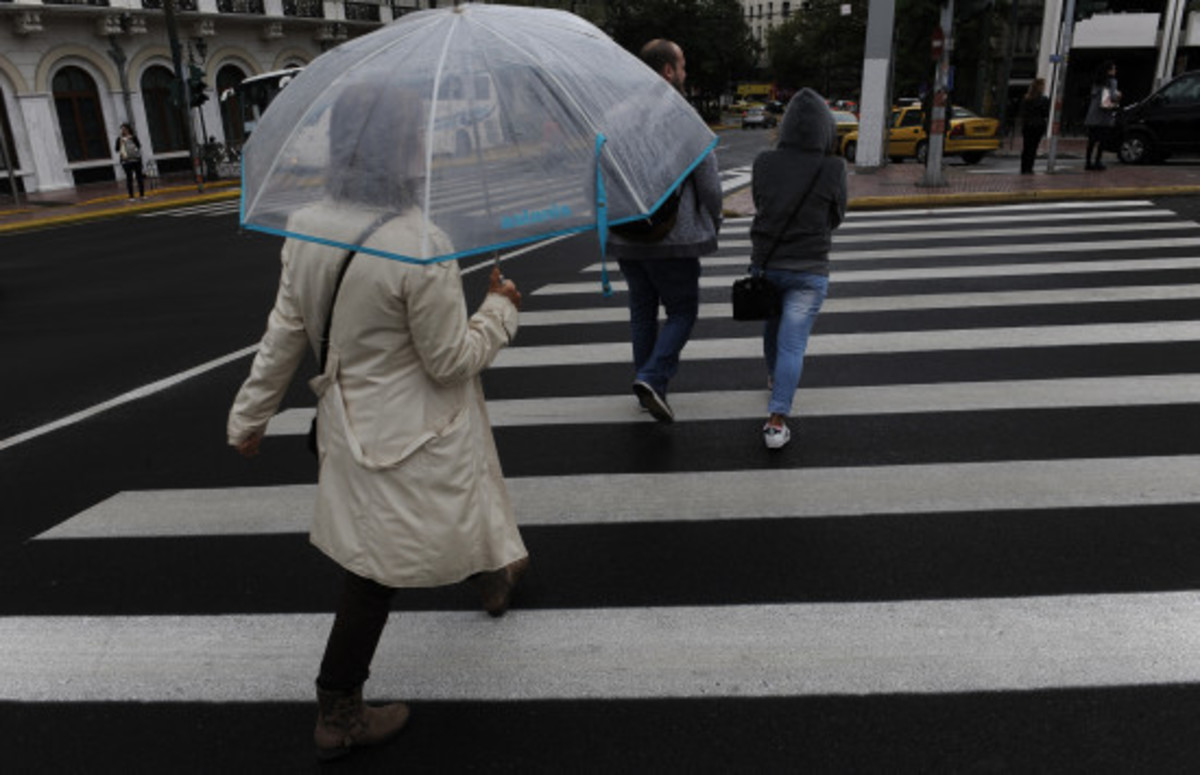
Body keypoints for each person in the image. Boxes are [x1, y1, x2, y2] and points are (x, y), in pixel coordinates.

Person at [227, 84, 529, 761]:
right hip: (415, 428)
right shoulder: (420, 243)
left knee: (463, 494)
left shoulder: (305, 223)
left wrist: (250, 416)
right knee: (375, 570)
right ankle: (338, 707)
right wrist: (500, 310)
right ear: (400, 149)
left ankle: (494, 570)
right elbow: (451, 359)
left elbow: (285, 333)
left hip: (348, 421)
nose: (428, 149)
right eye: (418, 137)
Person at [608, 38, 722, 423]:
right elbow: (708, 183)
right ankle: (653, 378)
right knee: (682, 311)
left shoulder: (614, 115)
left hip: (626, 234)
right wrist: (714, 220)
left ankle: (646, 386)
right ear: (668, 71)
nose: (686, 74)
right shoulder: (682, 116)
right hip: (673, 237)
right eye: (683, 66)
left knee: (642, 313)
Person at [749, 88, 847, 450]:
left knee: (771, 327)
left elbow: (761, 204)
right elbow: (837, 216)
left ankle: (775, 379)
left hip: (768, 263)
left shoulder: (763, 162)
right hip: (809, 267)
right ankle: (776, 421)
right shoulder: (833, 167)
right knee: (793, 342)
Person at [1084, 60, 1121, 171]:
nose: (1115, 71)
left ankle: (1088, 162)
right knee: (1102, 141)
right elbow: (1111, 99)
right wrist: (1119, 95)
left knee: (1092, 141)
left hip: (1092, 115)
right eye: (1113, 69)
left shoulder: (1097, 82)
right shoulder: (1112, 82)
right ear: (1109, 70)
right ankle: (1097, 161)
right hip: (1104, 116)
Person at [1020, 78, 1050, 174]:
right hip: (1038, 125)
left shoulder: (1027, 98)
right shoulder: (1044, 99)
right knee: (1033, 147)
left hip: (1028, 124)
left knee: (1026, 147)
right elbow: (1046, 113)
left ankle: (1024, 167)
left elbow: (1023, 112)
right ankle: (1029, 167)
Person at [114, 123, 145, 200]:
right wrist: (121, 143)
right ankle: (131, 196)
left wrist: (131, 140)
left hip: (136, 160)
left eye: (125, 129)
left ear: (129, 129)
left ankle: (142, 194)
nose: (124, 131)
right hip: (126, 161)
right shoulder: (119, 139)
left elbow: (139, 146)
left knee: (139, 178)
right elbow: (117, 149)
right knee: (129, 178)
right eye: (122, 130)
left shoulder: (133, 137)